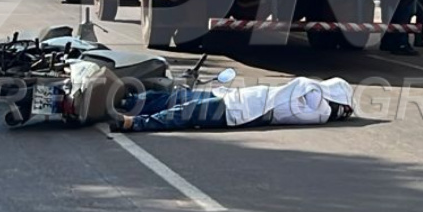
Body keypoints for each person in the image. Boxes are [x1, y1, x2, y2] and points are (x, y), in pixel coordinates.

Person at [111, 76, 355, 133]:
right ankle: (128, 102)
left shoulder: (319, 109)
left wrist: (336, 104)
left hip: (240, 111)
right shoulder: (313, 99)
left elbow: (307, 86)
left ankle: (134, 123)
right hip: (235, 97)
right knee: (179, 97)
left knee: (186, 113)